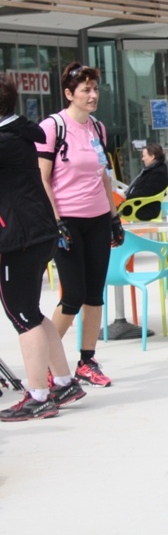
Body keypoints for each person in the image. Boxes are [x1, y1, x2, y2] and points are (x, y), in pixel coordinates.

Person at [0, 73, 88, 421]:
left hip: (19, 239)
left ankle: (38, 395)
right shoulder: (20, 133)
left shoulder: (4, 141)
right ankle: (64, 382)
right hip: (39, 233)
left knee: (22, 316)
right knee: (33, 312)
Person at [37, 62, 124, 388]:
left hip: (98, 219)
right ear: (69, 93)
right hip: (67, 221)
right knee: (72, 296)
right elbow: (42, 179)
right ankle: (47, 364)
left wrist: (114, 217)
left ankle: (87, 361)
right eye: (86, 89)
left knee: (94, 295)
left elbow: (103, 176)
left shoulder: (97, 129)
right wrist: (56, 221)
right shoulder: (53, 127)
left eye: (95, 89)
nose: (93, 95)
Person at [122, 143, 168, 220]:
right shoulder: (153, 169)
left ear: (152, 156)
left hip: (142, 209)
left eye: (144, 156)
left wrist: (127, 197)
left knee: (110, 211)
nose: (142, 159)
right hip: (139, 206)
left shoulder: (158, 172)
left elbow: (146, 192)